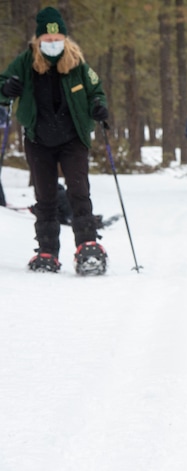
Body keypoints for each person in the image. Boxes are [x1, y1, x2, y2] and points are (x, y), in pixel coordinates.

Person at [0, 6, 109, 274]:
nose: (52, 44)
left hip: (73, 138)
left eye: (57, 39)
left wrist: (97, 105)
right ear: (38, 41)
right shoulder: (25, 62)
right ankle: (47, 251)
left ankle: (88, 246)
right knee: (45, 197)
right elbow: (3, 87)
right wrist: (6, 89)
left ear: (65, 39)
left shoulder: (78, 64)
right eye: (47, 41)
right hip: (38, 139)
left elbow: (97, 91)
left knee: (79, 193)